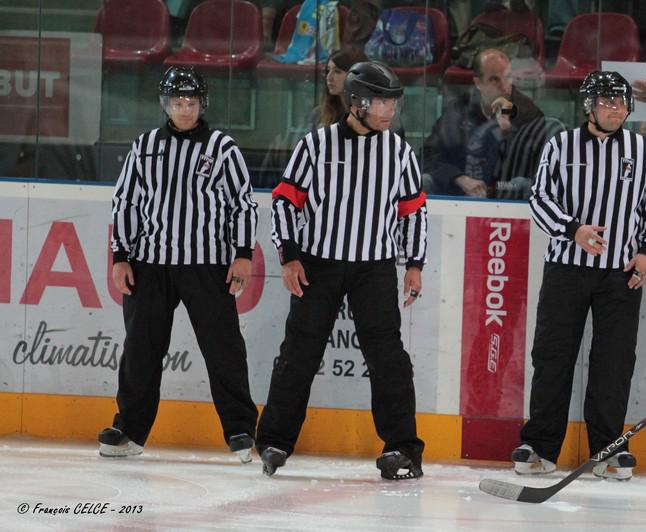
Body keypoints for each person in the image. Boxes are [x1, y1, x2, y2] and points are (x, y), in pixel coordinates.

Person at [255, 61, 427, 481]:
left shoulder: (399, 151)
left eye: (392, 101)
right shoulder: (317, 145)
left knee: (388, 359)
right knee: (299, 352)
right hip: (319, 264)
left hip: (375, 267)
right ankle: (274, 441)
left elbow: (413, 211)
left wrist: (415, 263)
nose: (389, 109)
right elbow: (283, 201)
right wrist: (289, 255)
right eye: (381, 101)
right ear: (355, 102)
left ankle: (404, 449)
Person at [514, 71, 646, 481]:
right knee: (552, 357)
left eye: (621, 103)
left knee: (614, 363)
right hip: (566, 269)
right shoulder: (561, 146)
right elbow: (540, 198)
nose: (616, 109)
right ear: (589, 106)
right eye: (607, 102)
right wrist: (574, 230)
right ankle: (540, 446)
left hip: (620, 275)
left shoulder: (641, 150)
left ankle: (609, 448)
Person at [98, 67, 260, 463]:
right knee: (141, 349)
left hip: (206, 264)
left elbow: (242, 203)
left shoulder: (223, 148)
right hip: (150, 264)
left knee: (223, 348)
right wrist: (121, 256)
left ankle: (240, 429)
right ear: (165, 104)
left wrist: (242, 254)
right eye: (177, 102)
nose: (184, 110)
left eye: (191, 103)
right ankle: (131, 430)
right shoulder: (146, 145)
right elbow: (126, 202)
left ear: (202, 104)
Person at [423, 48, 543, 196]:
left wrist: (508, 134)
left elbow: (538, 168)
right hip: (460, 194)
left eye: (508, 77)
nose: (504, 86)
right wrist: (458, 178)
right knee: (425, 181)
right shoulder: (459, 109)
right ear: (478, 83)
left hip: (508, 196)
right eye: (494, 79)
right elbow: (429, 155)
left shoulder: (528, 113)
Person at [312, 48, 369, 127]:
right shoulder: (320, 114)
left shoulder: (378, 114)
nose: (329, 78)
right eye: (328, 71)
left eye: (337, 71)